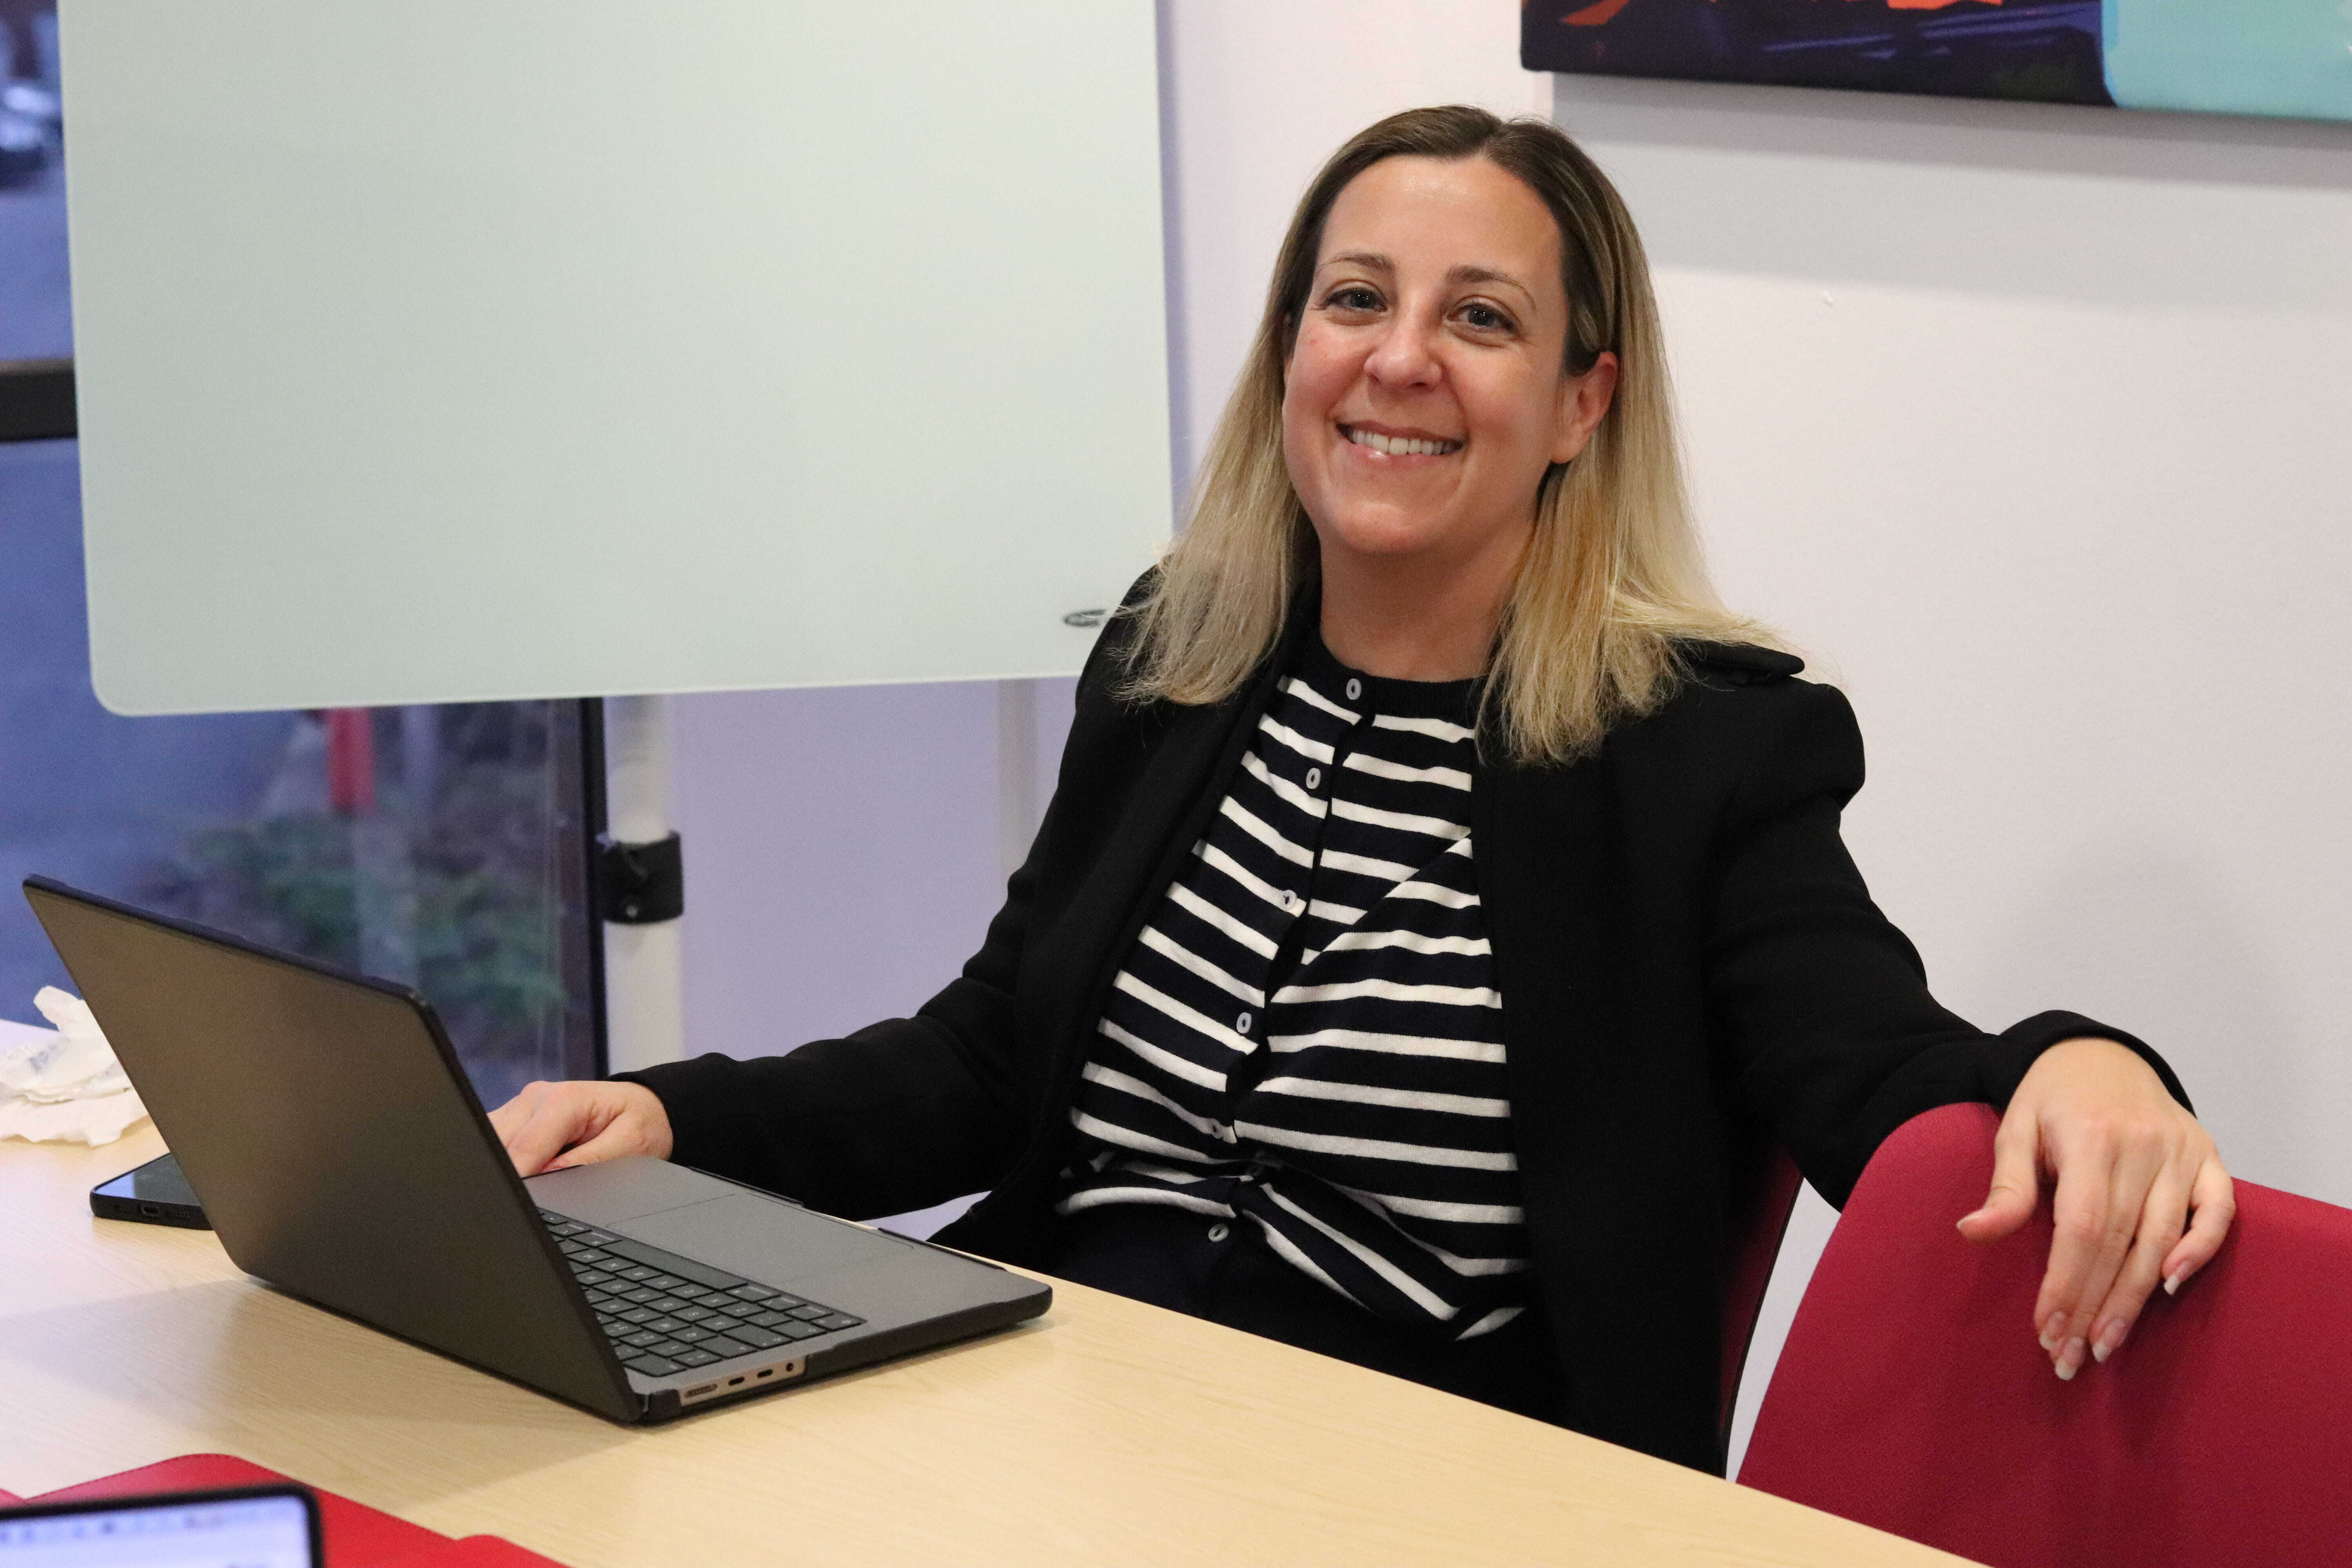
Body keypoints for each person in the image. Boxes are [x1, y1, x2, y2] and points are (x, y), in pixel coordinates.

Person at [490, 106, 2233, 1474]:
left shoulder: (1703, 750)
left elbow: (1877, 1070)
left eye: (1480, 317)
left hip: (1411, 1471)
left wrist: (2080, 1063)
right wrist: (674, 1125)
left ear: (1582, 402)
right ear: (1291, 352)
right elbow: (994, 1058)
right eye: (1355, 299)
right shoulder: (1179, 654)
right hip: (1046, 1392)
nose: (1401, 359)